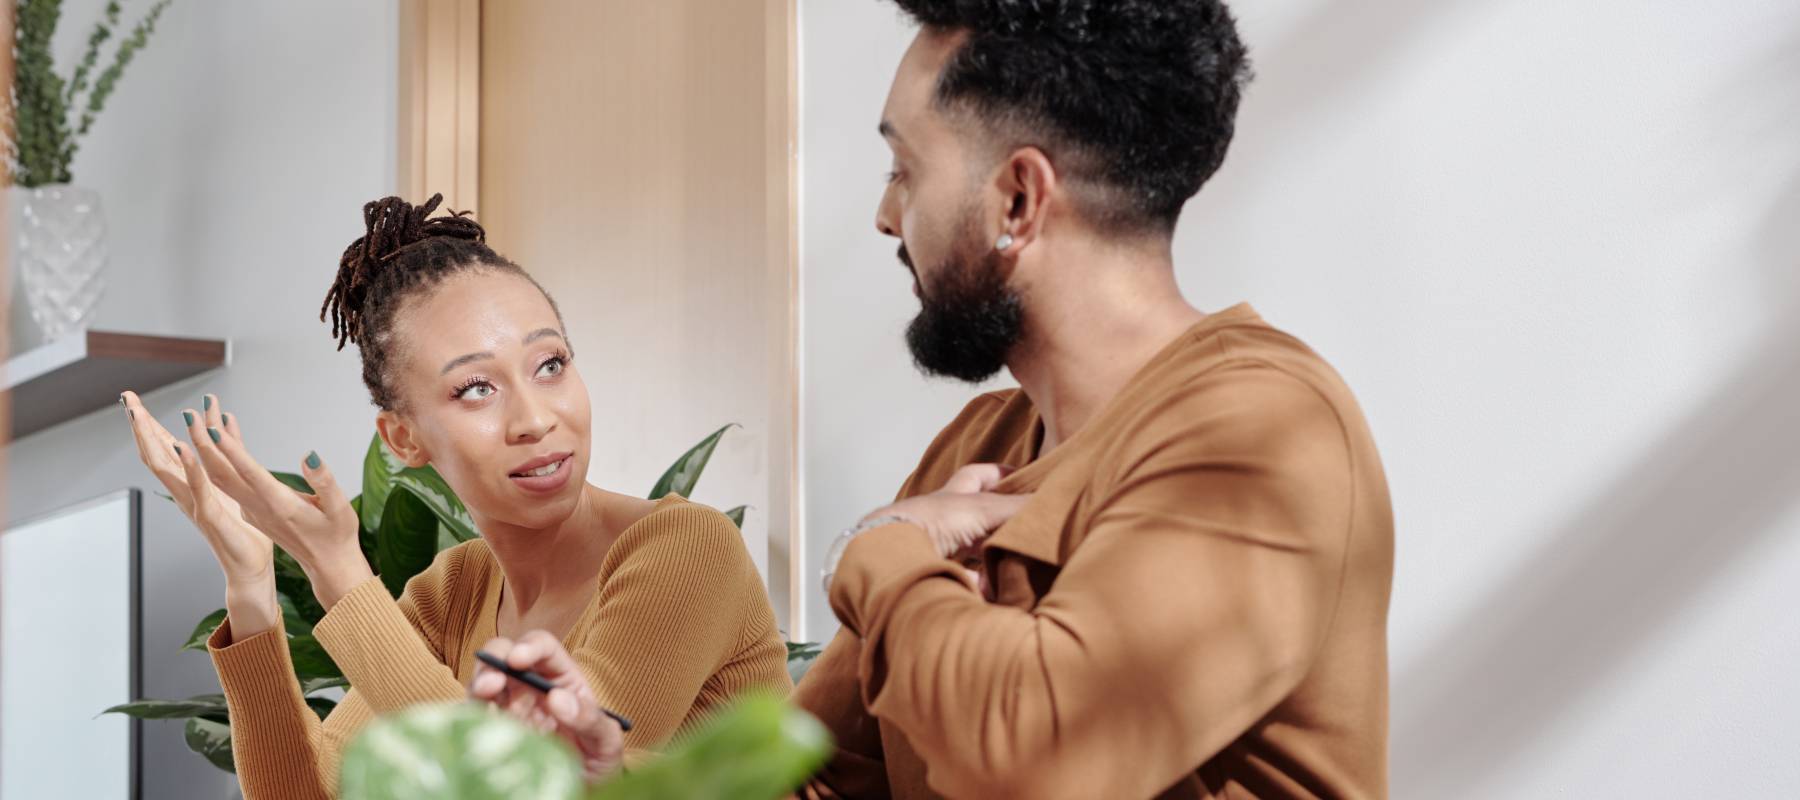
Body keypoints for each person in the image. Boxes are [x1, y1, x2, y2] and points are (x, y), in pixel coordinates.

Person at [794, 1, 1395, 798]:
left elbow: (1036, 761)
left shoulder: (1265, 426)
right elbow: (809, 775)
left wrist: (875, 553)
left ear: (1018, 201)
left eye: (904, 171)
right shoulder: (977, 445)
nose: (885, 217)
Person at [122, 194, 791, 798]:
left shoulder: (685, 549)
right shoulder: (452, 596)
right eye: (477, 389)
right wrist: (250, 587)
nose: (535, 419)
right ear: (404, 438)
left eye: (550, 365)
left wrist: (339, 573)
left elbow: (531, 786)